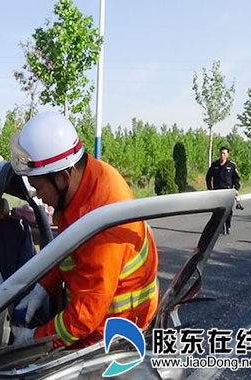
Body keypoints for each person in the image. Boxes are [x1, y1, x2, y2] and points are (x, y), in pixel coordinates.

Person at [9, 112, 159, 348]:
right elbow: (69, 253)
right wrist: (43, 288)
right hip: (94, 318)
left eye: (38, 187)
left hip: (116, 333)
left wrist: (34, 340)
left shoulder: (104, 218)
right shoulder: (80, 188)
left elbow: (85, 316)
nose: (38, 195)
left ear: (61, 177)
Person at [206, 146, 242, 234]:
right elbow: (208, 177)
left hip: (228, 191)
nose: (222, 155)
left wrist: (236, 189)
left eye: (224, 153)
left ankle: (228, 225)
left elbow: (236, 179)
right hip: (217, 191)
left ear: (227, 155)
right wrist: (210, 188)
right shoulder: (215, 165)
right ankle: (220, 228)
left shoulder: (231, 165)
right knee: (218, 211)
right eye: (221, 153)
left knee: (228, 211)